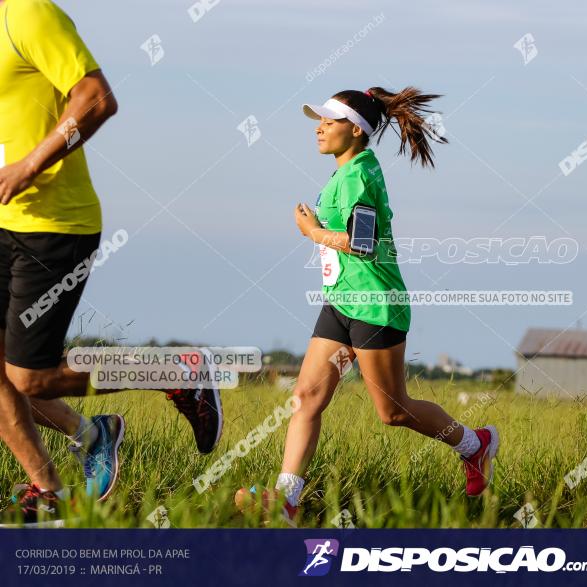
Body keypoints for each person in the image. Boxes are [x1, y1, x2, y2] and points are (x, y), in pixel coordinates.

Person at [0, 0, 222, 526]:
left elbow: (96, 99)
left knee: (30, 379)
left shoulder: (26, 14)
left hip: (53, 225)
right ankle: (52, 494)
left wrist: (30, 165)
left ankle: (177, 371)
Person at [236, 87, 499, 522]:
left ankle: (476, 445)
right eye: (319, 120)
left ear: (355, 130)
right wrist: (319, 226)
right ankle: (287, 499)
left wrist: (312, 232)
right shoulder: (345, 171)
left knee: (393, 412)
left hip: (375, 306)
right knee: (305, 398)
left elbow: (361, 244)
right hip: (341, 302)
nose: (319, 127)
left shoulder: (359, 175)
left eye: (329, 121)